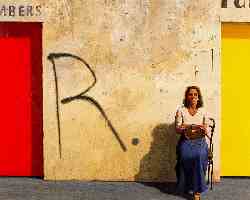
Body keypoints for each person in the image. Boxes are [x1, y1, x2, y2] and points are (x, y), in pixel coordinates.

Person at [175, 86, 209, 200]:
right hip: (186, 140)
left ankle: (197, 191)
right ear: (186, 97)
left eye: (195, 94)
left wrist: (196, 127)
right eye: (190, 94)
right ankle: (187, 185)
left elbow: (206, 129)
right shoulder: (181, 110)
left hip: (200, 141)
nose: (193, 96)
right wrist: (191, 127)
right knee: (185, 156)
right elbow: (178, 129)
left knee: (199, 156)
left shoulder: (203, 111)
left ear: (198, 97)